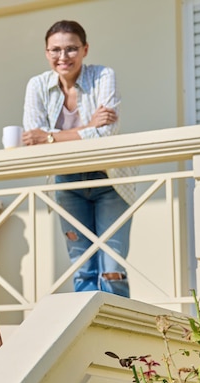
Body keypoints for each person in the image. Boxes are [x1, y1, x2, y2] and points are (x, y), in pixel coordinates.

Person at [22, 20, 136, 297]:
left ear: (85, 49)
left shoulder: (103, 76)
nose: (63, 57)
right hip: (67, 182)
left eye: (71, 49)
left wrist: (49, 136)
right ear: (46, 52)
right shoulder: (37, 85)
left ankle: (118, 334)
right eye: (55, 50)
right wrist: (87, 128)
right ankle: (88, 335)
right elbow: (31, 139)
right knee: (82, 266)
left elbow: (106, 131)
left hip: (109, 179)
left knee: (112, 268)